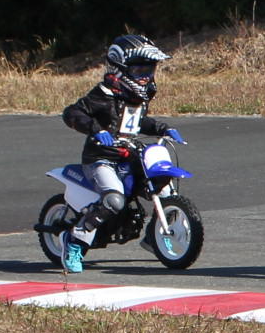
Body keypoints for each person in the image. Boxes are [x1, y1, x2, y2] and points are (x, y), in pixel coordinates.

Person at [59, 32, 182, 271]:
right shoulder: (102, 95)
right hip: (101, 158)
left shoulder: (135, 98)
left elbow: (137, 122)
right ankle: (75, 240)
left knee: (164, 186)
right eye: (139, 71)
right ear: (120, 69)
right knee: (113, 199)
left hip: (129, 153)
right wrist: (95, 130)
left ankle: (153, 238)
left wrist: (162, 128)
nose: (146, 77)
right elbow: (72, 113)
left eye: (149, 70)